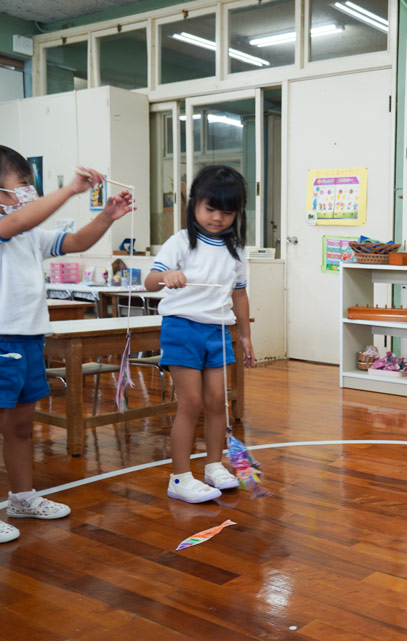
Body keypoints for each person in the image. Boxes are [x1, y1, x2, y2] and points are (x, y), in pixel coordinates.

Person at [0, 146, 133, 543]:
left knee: (21, 425)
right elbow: (16, 222)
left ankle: (23, 497)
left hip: (28, 338)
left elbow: (74, 242)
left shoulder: (29, 235)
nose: (28, 193)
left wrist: (107, 217)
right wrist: (71, 189)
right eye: (21, 185)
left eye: (29, 186)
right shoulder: (11, 226)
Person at [144, 165, 255, 504]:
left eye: (227, 211)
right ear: (194, 204)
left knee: (217, 403)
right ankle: (179, 477)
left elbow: (239, 294)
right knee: (190, 403)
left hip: (219, 331)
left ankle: (213, 465)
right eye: (210, 208)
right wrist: (168, 276)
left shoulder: (236, 250)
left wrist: (245, 335)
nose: (218, 218)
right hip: (182, 328)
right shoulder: (180, 242)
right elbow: (149, 282)